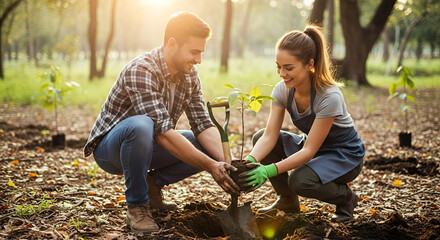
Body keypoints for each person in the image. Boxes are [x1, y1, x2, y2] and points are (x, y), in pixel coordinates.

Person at [83, 11, 239, 233]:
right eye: (194, 52)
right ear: (172, 44)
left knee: (202, 143)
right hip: (111, 151)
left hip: (151, 144)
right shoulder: (142, 69)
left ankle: (152, 184)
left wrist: (229, 163)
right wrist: (210, 166)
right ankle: (137, 206)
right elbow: (163, 132)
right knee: (142, 125)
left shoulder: (190, 75)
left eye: (201, 53)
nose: (199, 60)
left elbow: (202, 124)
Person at [238, 25, 365, 222]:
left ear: (309, 64)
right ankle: (287, 199)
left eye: (289, 68)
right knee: (258, 138)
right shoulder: (282, 90)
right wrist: (249, 161)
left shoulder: (328, 96)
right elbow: (270, 136)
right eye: (278, 66)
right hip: (313, 147)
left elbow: (308, 152)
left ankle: (346, 198)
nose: (281, 73)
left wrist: (269, 170)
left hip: (344, 156)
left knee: (299, 180)